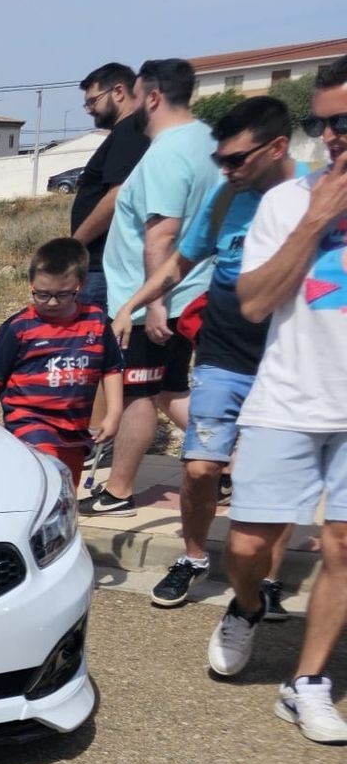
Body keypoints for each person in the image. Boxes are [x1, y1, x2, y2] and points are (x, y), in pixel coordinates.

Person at [205, 55, 347, 744]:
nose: (333, 136)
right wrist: (315, 222)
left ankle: (307, 682)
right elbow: (256, 302)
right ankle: (246, 605)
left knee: (343, 547)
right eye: (323, 125)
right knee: (248, 546)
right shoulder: (287, 202)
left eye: (344, 122)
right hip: (288, 397)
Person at [113, 97, 301, 611]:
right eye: (220, 159)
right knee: (200, 468)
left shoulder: (315, 193)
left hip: (286, 360)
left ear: (277, 147)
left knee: (271, 475)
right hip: (222, 354)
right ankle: (193, 557)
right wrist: (134, 303)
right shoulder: (225, 199)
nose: (225, 169)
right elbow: (179, 262)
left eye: (236, 159)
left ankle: (268, 579)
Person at [79, 58, 219, 518]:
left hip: (154, 301)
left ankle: (118, 491)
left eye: (137, 96)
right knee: (169, 388)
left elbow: (161, 236)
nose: (133, 105)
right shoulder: (206, 140)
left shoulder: (165, 154)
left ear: (153, 97)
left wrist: (153, 303)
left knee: (138, 393)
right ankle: (231, 464)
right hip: (189, 290)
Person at [0, 237, 123, 483]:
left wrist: (114, 413)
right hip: (30, 423)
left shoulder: (97, 322)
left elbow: (112, 369)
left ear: (80, 285)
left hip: (75, 428)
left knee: (67, 490)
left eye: (63, 295)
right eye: (42, 295)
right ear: (32, 285)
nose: (52, 303)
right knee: (49, 478)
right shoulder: (19, 327)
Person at [70, 63, 148, 311]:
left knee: (95, 334)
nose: (90, 110)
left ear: (119, 92)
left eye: (93, 101)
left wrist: (74, 244)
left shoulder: (130, 132)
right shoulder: (125, 132)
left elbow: (118, 195)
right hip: (99, 265)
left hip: (103, 266)